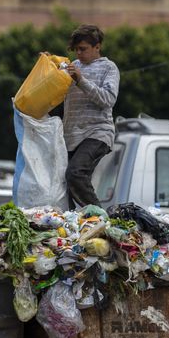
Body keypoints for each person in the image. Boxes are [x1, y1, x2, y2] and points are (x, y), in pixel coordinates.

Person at [62, 24, 120, 208]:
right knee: (65, 185)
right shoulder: (72, 67)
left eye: (83, 49)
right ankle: (71, 225)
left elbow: (108, 99)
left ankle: (101, 218)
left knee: (76, 173)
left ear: (97, 46)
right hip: (71, 136)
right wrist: (47, 65)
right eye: (76, 49)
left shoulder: (109, 68)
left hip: (97, 133)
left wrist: (81, 80)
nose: (79, 53)